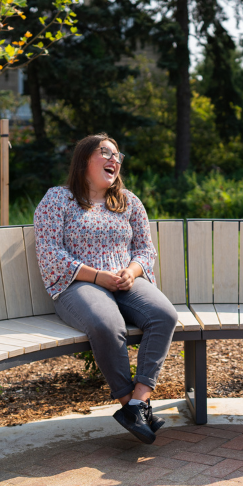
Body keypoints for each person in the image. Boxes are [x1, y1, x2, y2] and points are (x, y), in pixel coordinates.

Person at [34, 133, 178, 445]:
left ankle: (139, 401)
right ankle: (132, 406)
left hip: (125, 281)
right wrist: (97, 277)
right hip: (78, 284)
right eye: (105, 153)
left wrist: (132, 271)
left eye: (117, 155)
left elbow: (146, 251)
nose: (114, 159)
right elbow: (50, 253)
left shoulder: (129, 202)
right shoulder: (58, 199)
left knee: (164, 315)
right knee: (106, 324)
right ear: (84, 160)